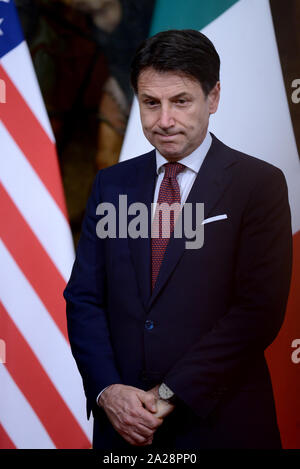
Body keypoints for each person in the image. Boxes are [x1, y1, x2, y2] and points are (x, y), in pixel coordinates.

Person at [64, 29, 293, 449]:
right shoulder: (110, 184)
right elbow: (84, 298)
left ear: (214, 97)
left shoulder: (259, 184)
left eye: (181, 101)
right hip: (123, 429)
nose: (164, 120)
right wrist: (108, 392)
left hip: (222, 426)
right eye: (151, 103)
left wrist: (168, 395)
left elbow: (257, 312)